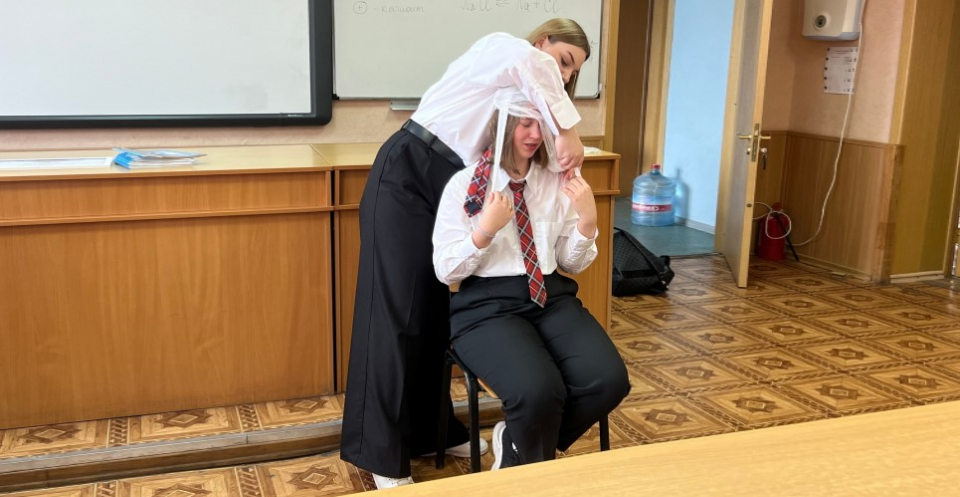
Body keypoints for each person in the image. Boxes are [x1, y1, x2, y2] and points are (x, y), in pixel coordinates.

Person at [340, 19, 592, 489]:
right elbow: (531, 65)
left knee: (434, 310)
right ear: (542, 42)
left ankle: (429, 432)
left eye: (571, 73)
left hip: (449, 184)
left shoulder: (528, 102)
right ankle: (379, 453)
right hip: (409, 173)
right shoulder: (504, 50)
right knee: (394, 314)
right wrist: (569, 129)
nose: (562, 76)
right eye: (563, 60)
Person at [432, 89, 630, 470]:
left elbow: (569, 263)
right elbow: (445, 269)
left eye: (541, 123)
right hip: (486, 306)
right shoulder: (466, 185)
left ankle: (518, 443)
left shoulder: (555, 180)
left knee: (609, 380)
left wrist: (588, 223)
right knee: (538, 391)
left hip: (550, 296)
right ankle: (529, 473)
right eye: (525, 123)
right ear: (502, 124)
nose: (535, 134)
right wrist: (483, 232)